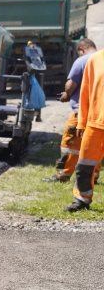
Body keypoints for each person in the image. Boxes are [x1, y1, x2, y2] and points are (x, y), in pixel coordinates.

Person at [43, 39, 99, 183]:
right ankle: (93, 175)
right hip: (98, 112)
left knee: (70, 142)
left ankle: (63, 174)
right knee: (94, 144)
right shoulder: (100, 60)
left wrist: (67, 95)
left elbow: (70, 86)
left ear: (81, 50)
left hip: (82, 112)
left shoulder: (82, 61)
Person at [65, 46, 104, 212]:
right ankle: (81, 199)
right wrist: (81, 122)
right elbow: (85, 92)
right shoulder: (95, 60)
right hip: (95, 124)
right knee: (84, 166)